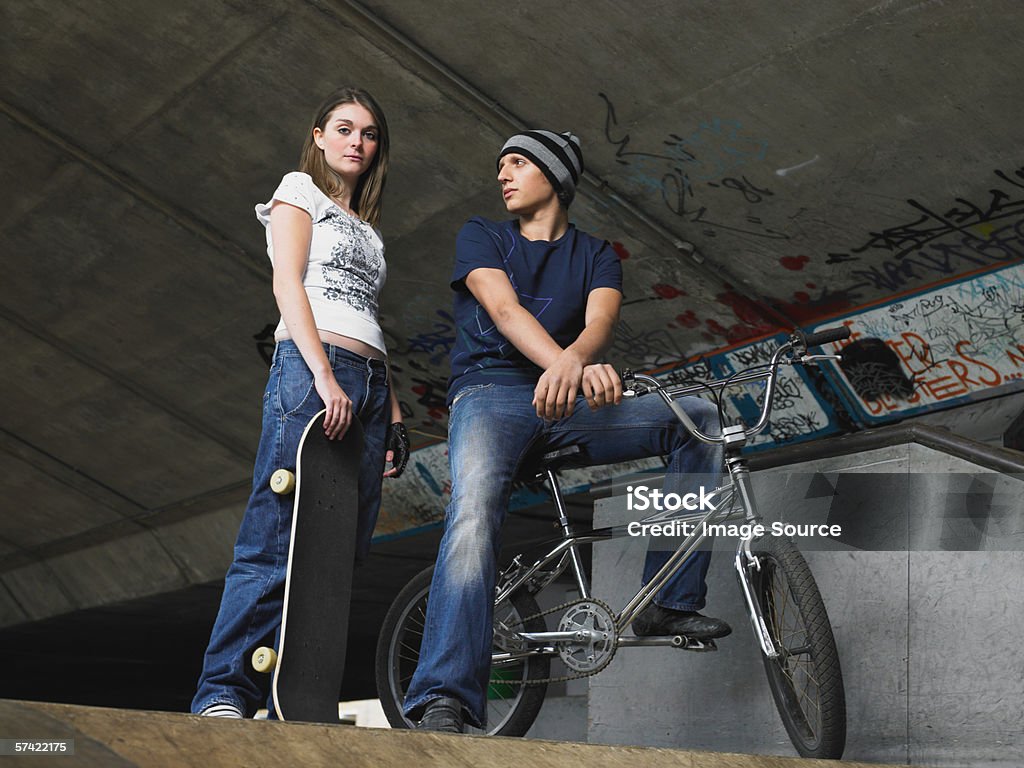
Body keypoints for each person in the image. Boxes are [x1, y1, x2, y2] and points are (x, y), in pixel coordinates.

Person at [402, 130, 730, 733]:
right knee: (473, 513)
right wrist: (567, 365)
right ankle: (443, 695)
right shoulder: (483, 234)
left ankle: (670, 603)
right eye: (500, 164)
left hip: (567, 398)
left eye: (518, 163)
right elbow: (504, 311)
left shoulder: (598, 254)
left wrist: (574, 365)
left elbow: (600, 319)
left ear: (555, 177)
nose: (502, 174)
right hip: (491, 396)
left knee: (699, 420)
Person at [191, 86, 409, 719]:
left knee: (336, 550)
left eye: (368, 134)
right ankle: (225, 693)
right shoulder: (298, 191)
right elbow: (288, 285)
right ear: (318, 135)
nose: (356, 143)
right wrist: (324, 378)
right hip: (314, 373)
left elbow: (368, 316)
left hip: (368, 383)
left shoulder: (368, 230)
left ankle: (293, 696)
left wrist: (391, 414)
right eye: (343, 129)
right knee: (275, 537)